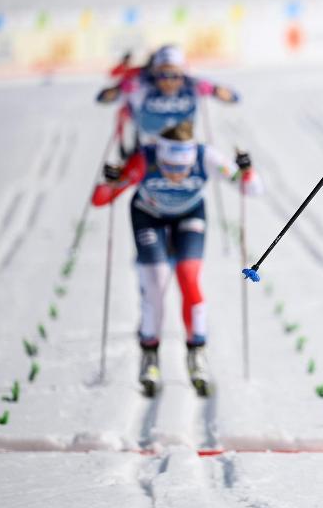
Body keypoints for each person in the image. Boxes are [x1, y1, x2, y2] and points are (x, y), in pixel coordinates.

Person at [91, 120, 262, 396]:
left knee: (188, 278)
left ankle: (197, 353)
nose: (175, 175)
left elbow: (252, 189)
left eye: (182, 169)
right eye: (169, 167)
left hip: (189, 215)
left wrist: (247, 169)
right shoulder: (144, 159)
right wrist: (111, 180)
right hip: (148, 216)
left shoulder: (206, 157)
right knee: (156, 285)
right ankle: (150, 354)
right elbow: (100, 200)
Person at [95, 45, 239, 151]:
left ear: (183, 72)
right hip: (147, 147)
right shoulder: (141, 84)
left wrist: (214, 90)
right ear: (155, 73)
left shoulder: (192, 84)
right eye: (163, 75)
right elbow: (102, 98)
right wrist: (120, 88)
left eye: (175, 76)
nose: (169, 81)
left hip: (182, 146)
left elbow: (234, 98)